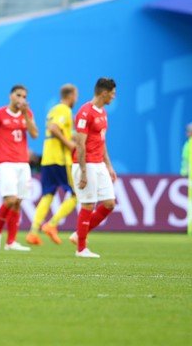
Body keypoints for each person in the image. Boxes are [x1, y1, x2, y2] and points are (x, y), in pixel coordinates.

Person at [0, 85, 39, 252]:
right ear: (11, 96)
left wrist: (25, 114)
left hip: (23, 162)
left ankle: (11, 242)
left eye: (24, 96)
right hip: (5, 162)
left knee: (18, 202)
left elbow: (35, 134)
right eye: (18, 95)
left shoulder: (27, 113)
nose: (21, 98)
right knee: (10, 200)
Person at [70, 78, 117, 258]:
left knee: (109, 203)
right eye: (112, 93)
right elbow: (80, 144)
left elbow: (102, 142)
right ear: (104, 93)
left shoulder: (103, 112)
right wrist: (83, 172)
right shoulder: (85, 112)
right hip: (86, 163)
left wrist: (109, 166)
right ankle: (81, 249)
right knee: (88, 204)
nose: (114, 96)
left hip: (99, 163)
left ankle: (78, 234)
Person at [26, 84, 79, 246]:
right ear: (71, 95)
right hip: (60, 159)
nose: (76, 99)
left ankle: (33, 232)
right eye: (76, 96)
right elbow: (54, 128)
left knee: (48, 195)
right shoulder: (64, 109)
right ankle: (52, 224)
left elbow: (56, 128)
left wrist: (74, 136)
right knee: (77, 194)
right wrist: (69, 144)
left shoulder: (53, 110)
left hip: (48, 158)